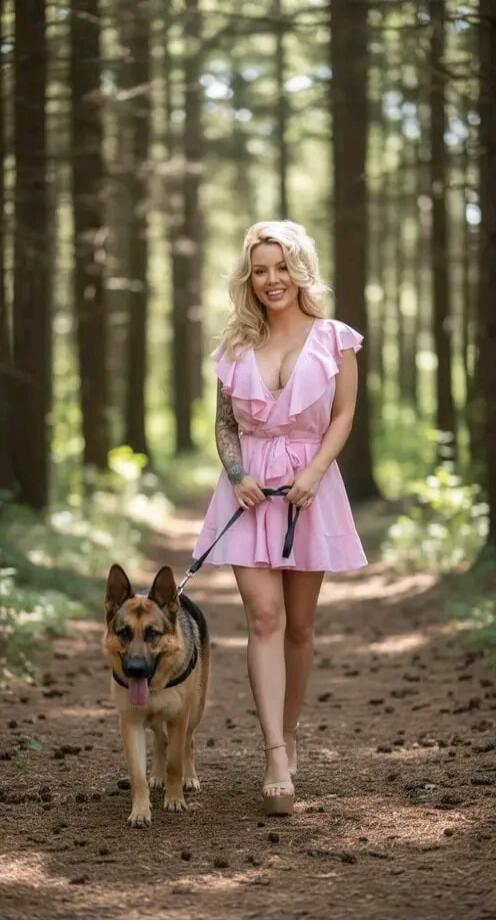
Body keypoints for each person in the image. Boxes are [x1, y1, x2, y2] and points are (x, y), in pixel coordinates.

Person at [191, 219, 367, 815]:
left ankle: (291, 731)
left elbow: (343, 415)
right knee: (262, 617)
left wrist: (314, 472)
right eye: (261, 269)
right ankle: (272, 751)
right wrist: (237, 475)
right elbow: (224, 423)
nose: (272, 279)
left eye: (281, 266)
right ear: (250, 277)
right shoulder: (236, 345)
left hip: (309, 490)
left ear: (300, 269)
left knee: (298, 625)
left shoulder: (334, 338)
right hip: (248, 496)